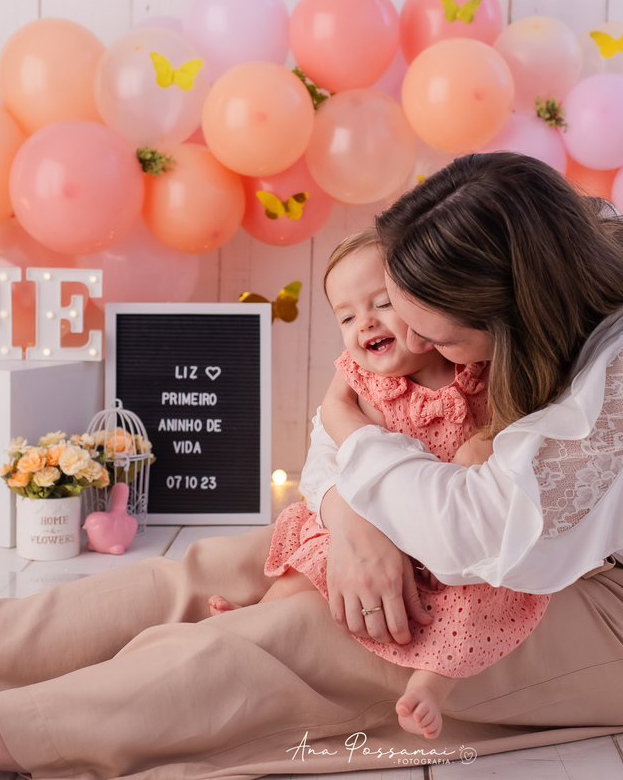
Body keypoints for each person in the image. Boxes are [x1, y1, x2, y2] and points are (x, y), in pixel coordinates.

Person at [0, 152, 623, 780]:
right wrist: (353, 519)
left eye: (422, 323)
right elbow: (352, 432)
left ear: (502, 310)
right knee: (218, 567)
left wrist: (355, 453)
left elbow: (505, 534)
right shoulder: (525, 264)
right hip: (467, 544)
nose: (394, 333)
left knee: (304, 641)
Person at [208, 228, 550, 740]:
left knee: (483, 596)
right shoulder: (358, 380)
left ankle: (430, 685)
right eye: (346, 317)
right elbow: (332, 455)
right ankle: (255, 621)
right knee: (316, 557)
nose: (363, 322)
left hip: (452, 534)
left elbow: (515, 424)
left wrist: (487, 439)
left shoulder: (478, 367)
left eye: (382, 304)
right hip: (378, 517)